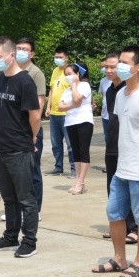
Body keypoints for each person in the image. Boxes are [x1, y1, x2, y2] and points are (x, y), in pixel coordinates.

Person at [90, 45, 139, 277]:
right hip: (122, 168)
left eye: (124, 63)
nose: (119, 66)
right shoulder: (121, 94)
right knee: (114, 212)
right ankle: (119, 259)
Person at [0, 37, 43, 258]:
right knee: (8, 198)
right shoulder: (0, 78)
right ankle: (10, 237)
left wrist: (32, 137)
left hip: (19, 148)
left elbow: (35, 115)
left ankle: (29, 241)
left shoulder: (25, 81)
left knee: (26, 198)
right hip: (1, 147)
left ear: (11, 55)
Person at [100, 53, 137, 243]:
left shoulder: (129, 90)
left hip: (128, 146)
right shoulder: (109, 90)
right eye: (106, 67)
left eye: (113, 67)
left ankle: (134, 228)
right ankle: (118, 227)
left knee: (130, 188)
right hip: (112, 145)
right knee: (113, 188)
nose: (109, 70)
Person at [16, 37, 47, 219]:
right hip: (15, 129)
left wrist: (33, 132)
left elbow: (39, 103)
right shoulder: (11, 71)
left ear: (32, 54)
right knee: (18, 172)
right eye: (18, 48)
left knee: (32, 170)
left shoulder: (36, 73)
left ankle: (35, 210)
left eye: (25, 49)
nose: (20, 52)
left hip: (30, 129)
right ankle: (20, 208)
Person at [58, 63, 94, 194]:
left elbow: (77, 98)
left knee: (83, 150)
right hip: (70, 122)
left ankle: (81, 181)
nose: (68, 76)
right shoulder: (66, 91)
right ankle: (77, 179)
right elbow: (60, 107)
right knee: (75, 151)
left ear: (77, 74)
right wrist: (72, 106)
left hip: (84, 121)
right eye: (66, 75)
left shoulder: (84, 85)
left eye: (70, 74)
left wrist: (74, 84)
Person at [46, 45, 75, 176]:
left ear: (67, 58)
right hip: (54, 113)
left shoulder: (70, 72)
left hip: (66, 113)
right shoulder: (54, 71)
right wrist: (48, 107)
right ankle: (58, 167)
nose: (57, 59)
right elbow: (52, 89)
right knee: (55, 143)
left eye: (60, 57)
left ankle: (74, 169)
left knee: (70, 143)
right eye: (56, 57)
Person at [99, 58, 112, 141]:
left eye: (105, 66)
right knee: (107, 138)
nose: (104, 69)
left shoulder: (119, 80)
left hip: (114, 116)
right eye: (102, 67)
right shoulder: (103, 81)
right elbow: (102, 95)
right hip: (105, 114)